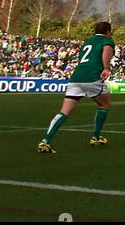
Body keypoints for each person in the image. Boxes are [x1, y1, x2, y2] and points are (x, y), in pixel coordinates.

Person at [38, 22, 115, 153]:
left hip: (76, 77)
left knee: (64, 112)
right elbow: (106, 51)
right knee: (104, 104)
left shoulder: (88, 41)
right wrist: (106, 68)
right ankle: (95, 137)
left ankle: (45, 141)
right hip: (92, 77)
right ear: (108, 31)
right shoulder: (107, 41)